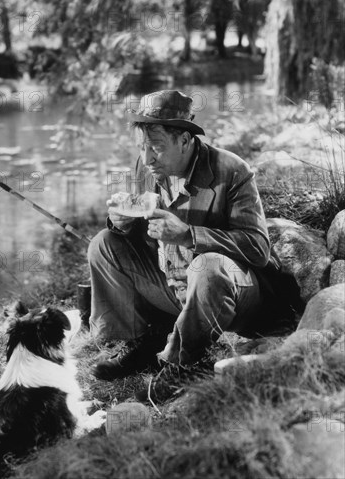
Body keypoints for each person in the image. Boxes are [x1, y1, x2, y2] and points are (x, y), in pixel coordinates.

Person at [88, 89, 276, 381]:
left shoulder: (231, 170)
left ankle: (178, 364)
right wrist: (121, 220)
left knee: (208, 266)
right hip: (172, 288)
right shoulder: (148, 166)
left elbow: (258, 248)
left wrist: (189, 235)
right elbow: (139, 227)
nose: (147, 157)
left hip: (230, 296)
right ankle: (140, 342)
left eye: (156, 147)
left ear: (185, 140)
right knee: (104, 244)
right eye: (141, 147)